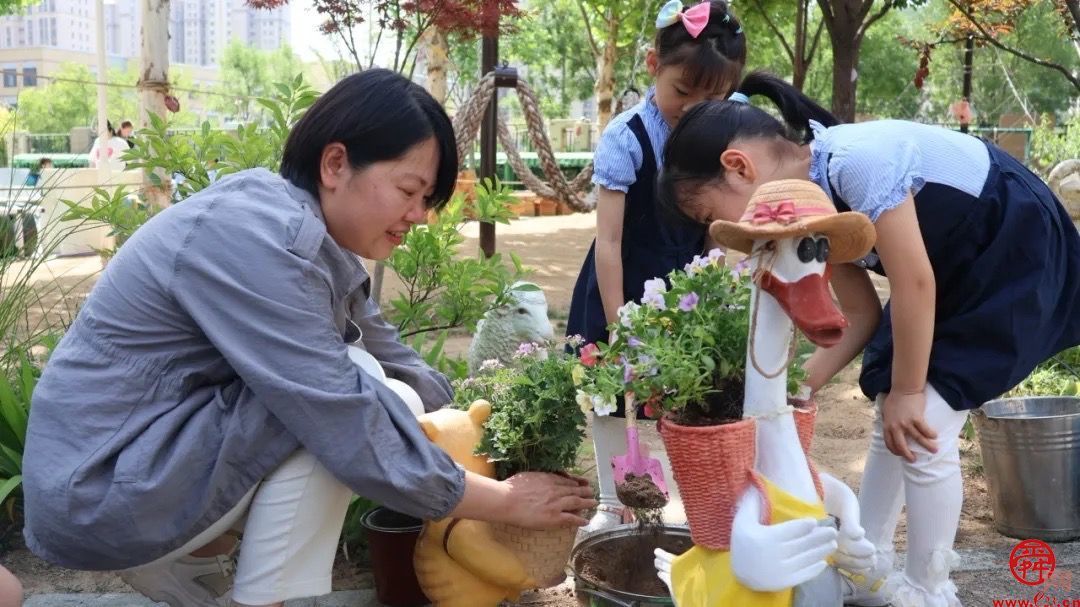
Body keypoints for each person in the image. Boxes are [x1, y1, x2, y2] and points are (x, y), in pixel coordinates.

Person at [22, 69, 595, 607]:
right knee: (368, 393)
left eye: (427, 200)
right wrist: (504, 501)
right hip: (100, 487)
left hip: (143, 464)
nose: (420, 215)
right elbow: (339, 414)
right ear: (335, 163)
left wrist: (491, 439)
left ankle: (196, 564)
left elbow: (393, 352)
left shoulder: (300, 231)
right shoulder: (257, 239)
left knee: (391, 386)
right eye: (409, 190)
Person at [658, 71, 1080, 606]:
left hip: (1011, 249)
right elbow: (859, 315)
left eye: (709, 215)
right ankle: (870, 562)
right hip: (949, 270)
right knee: (889, 410)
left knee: (923, 416)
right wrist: (796, 387)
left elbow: (914, 282)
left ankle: (930, 588)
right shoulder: (810, 212)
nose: (729, 235)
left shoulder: (857, 162)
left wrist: (909, 391)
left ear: (737, 167)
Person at [565, 0, 747, 535]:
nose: (693, 109)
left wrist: (718, 286)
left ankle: (675, 503)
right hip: (620, 278)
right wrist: (620, 320)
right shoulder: (628, 136)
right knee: (606, 392)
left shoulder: (729, 125)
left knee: (681, 391)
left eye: (711, 97)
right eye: (681, 92)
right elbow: (610, 240)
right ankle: (607, 501)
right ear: (652, 66)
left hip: (686, 286)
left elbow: (721, 219)